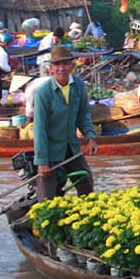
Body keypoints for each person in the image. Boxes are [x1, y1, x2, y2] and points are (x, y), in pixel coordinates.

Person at [33, 46, 98, 201]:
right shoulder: (43, 92)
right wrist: (42, 161)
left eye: (65, 64)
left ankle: (87, 214)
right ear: (51, 69)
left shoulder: (78, 85)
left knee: (86, 183)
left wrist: (90, 137)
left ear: (72, 66)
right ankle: (42, 221)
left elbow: (83, 115)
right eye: (57, 65)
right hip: (50, 150)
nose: (61, 68)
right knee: (47, 194)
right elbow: (39, 128)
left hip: (71, 147)